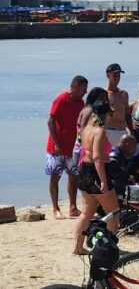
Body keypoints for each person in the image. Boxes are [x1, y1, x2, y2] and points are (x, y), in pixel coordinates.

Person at [73, 100, 118, 254]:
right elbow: (98, 157)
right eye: (109, 113)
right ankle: (110, 248)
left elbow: (88, 151)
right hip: (96, 173)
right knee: (113, 213)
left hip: (84, 170)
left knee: (87, 213)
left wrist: (104, 157)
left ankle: (77, 247)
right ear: (105, 114)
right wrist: (104, 181)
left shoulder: (86, 129)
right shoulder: (100, 131)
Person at [46, 75, 87, 220]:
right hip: (56, 146)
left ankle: (72, 207)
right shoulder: (61, 99)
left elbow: (80, 124)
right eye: (83, 89)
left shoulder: (80, 103)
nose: (85, 92)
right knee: (55, 176)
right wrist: (57, 143)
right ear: (75, 87)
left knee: (73, 176)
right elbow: (50, 122)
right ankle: (55, 208)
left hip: (73, 146)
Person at [105, 63, 132, 147]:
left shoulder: (124, 94)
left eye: (119, 75)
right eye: (114, 75)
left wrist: (132, 131)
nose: (117, 77)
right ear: (108, 76)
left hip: (122, 131)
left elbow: (127, 115)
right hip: (109, 131)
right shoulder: (103, 94)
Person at [108, 134, 137, 199]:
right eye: (134, 146)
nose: (135, 149)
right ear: (127, 145)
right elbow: (112, 167)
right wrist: (126, 176)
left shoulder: (125, 156)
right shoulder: (116, 153)